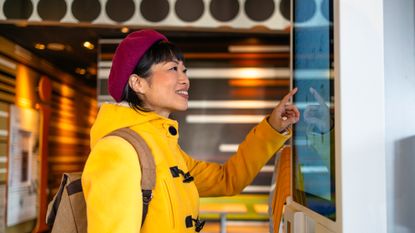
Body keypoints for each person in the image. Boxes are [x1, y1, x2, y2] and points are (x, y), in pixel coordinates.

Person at [81, 29, 300, 233]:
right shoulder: (117, 151)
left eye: (184, 70)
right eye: (172, 69)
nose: (185, 79)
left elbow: (227, 179)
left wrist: (272, 127)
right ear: (137, 83)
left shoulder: (165, 146)